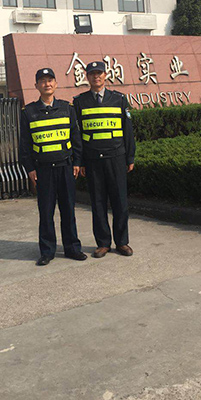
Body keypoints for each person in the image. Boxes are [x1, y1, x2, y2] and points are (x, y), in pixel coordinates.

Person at [19, 68, 87, 266]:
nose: (47, 84)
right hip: (43, 170)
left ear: (56, 84)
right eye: (42, 81)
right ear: (36, 86)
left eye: (50, 80)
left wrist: (77, 162)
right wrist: (30, 169)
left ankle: (72, 248)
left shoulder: (67, 109)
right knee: (46, 212)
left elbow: (76, 138)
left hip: (66, 168)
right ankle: (47, 251)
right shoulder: (29, 112)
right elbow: (24, 145)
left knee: (68, 211)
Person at [73, 61, 135, 258]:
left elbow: (127, 130)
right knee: (98, 203)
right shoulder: (80, 102)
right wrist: (81, 161)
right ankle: (103, 243)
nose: (96, 76)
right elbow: (77, 135)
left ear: (106, 75)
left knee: (120, 202)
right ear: (87, 77)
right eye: (92, 73)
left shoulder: (118, 99)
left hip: (116, 157)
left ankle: (122, 242)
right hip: (93, 160)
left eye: (99, 73)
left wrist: (130, 156)